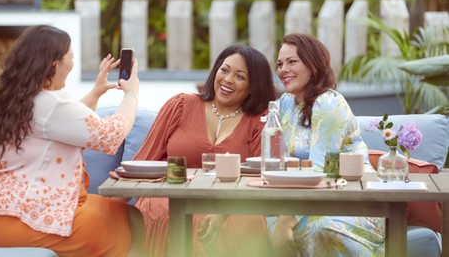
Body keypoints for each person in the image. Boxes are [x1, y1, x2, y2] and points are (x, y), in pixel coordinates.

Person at [0, 25, 145, 256]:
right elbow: (110, 135)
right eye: (71, 57)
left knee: (129, 213)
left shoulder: (14, 102)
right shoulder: (50, 103)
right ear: (55, 63)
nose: (72, 64)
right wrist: (131, 94)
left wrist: (96, 92)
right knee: (125, 222)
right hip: (26, 221)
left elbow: (63, 125)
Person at [131, 45, 277, 257]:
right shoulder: (180, 105)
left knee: (242, 220)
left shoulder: (261, 121)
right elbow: (143, 161)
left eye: (240, 76)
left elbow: (257, 177)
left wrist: (223, 213)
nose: (227, 79)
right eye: (224, 70)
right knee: (167, 213)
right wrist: (109, 210)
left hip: (232, 201)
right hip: (171, 195)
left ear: (253, 87)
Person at [270, 33, 385, 257]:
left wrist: (286, 219)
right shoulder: (286, 103)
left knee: (318, 229)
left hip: (353, 201)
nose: (283, 69)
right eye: (280, 64)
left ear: (313, 65)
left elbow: (321, 169)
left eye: (292, 62)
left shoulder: (328, 102)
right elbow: (279, 160)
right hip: (313, 200)